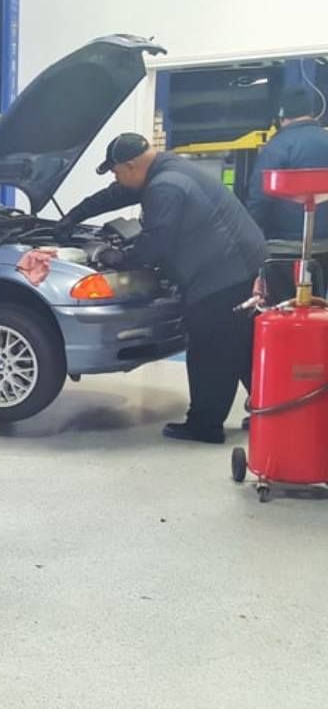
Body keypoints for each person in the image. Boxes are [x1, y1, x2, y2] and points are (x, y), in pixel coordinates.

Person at [56, 132, 265, 444]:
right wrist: (75, 215)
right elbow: (117, 194)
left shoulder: (164, 187)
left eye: (115, 170)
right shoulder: (164, 169)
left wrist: (117, 257)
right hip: (245, 265)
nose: (115, 177)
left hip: (222, 274)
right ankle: (271, 413)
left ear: (130, 165)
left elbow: (156, 246)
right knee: (242, 346)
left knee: (211, 349)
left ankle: (204, 425)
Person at [245, 86, 328, 300]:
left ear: (282, 116)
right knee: (319, 309)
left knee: (285, 310)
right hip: (325, 249)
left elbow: (259, 200)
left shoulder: (278, 147)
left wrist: (250, 240)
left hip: (284, 250)